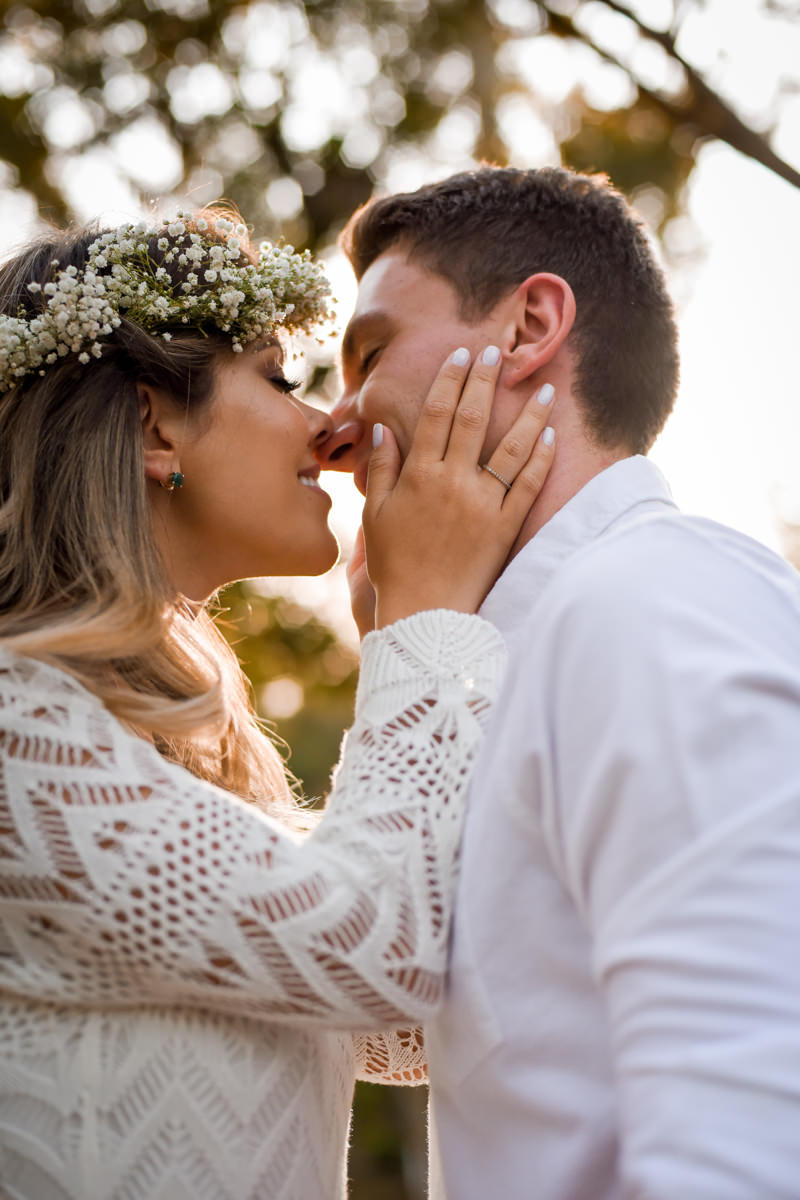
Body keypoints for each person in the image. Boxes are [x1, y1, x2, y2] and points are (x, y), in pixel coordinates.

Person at [0, 208, 558, 1198]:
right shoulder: (17, 737)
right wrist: (421, 619)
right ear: (153, 422)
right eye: (278, 378)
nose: (325, 427)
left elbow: (408, 1028)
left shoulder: (151, 740)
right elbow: (380, 959)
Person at [319, 165, 800, 1198]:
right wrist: (408, 648)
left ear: (530, 324)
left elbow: (748, 1129)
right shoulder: (527, 660)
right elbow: (373, 1009)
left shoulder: (651, 602)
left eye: (367, 356)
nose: (335, 424)